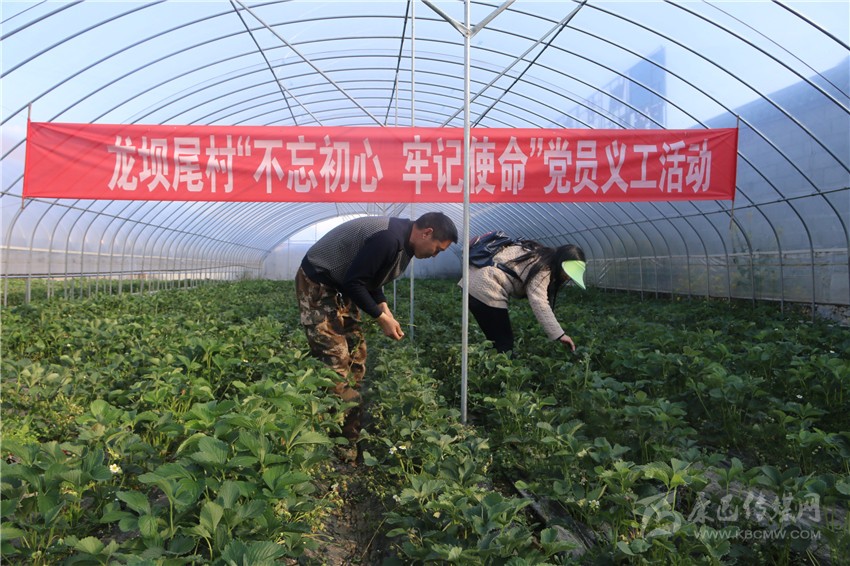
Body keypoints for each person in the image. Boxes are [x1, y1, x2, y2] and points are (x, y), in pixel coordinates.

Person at [295, 212, 458, 450]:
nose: (435, 255)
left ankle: (352, 416)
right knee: (335, 359)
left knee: (357, 353)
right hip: (319, 283)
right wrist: (380, 318)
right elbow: (354, 282)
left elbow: (371, 277)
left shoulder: (403, 241)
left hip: (341, 285)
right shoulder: (388, 239)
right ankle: (339, 440)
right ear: (427, 233)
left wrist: (383, 308)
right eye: (437, 249)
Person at [466, 239, 586, 354]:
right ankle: (498, 366)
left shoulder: (536, 253)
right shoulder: (543, 268)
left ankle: (488, 362)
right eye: (567, 272)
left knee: (496, 339)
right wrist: (559, 334)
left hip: (472, 281)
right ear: (561, 262)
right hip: (486, 287)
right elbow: (539, 302)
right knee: (504, 344)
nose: (567, 277)